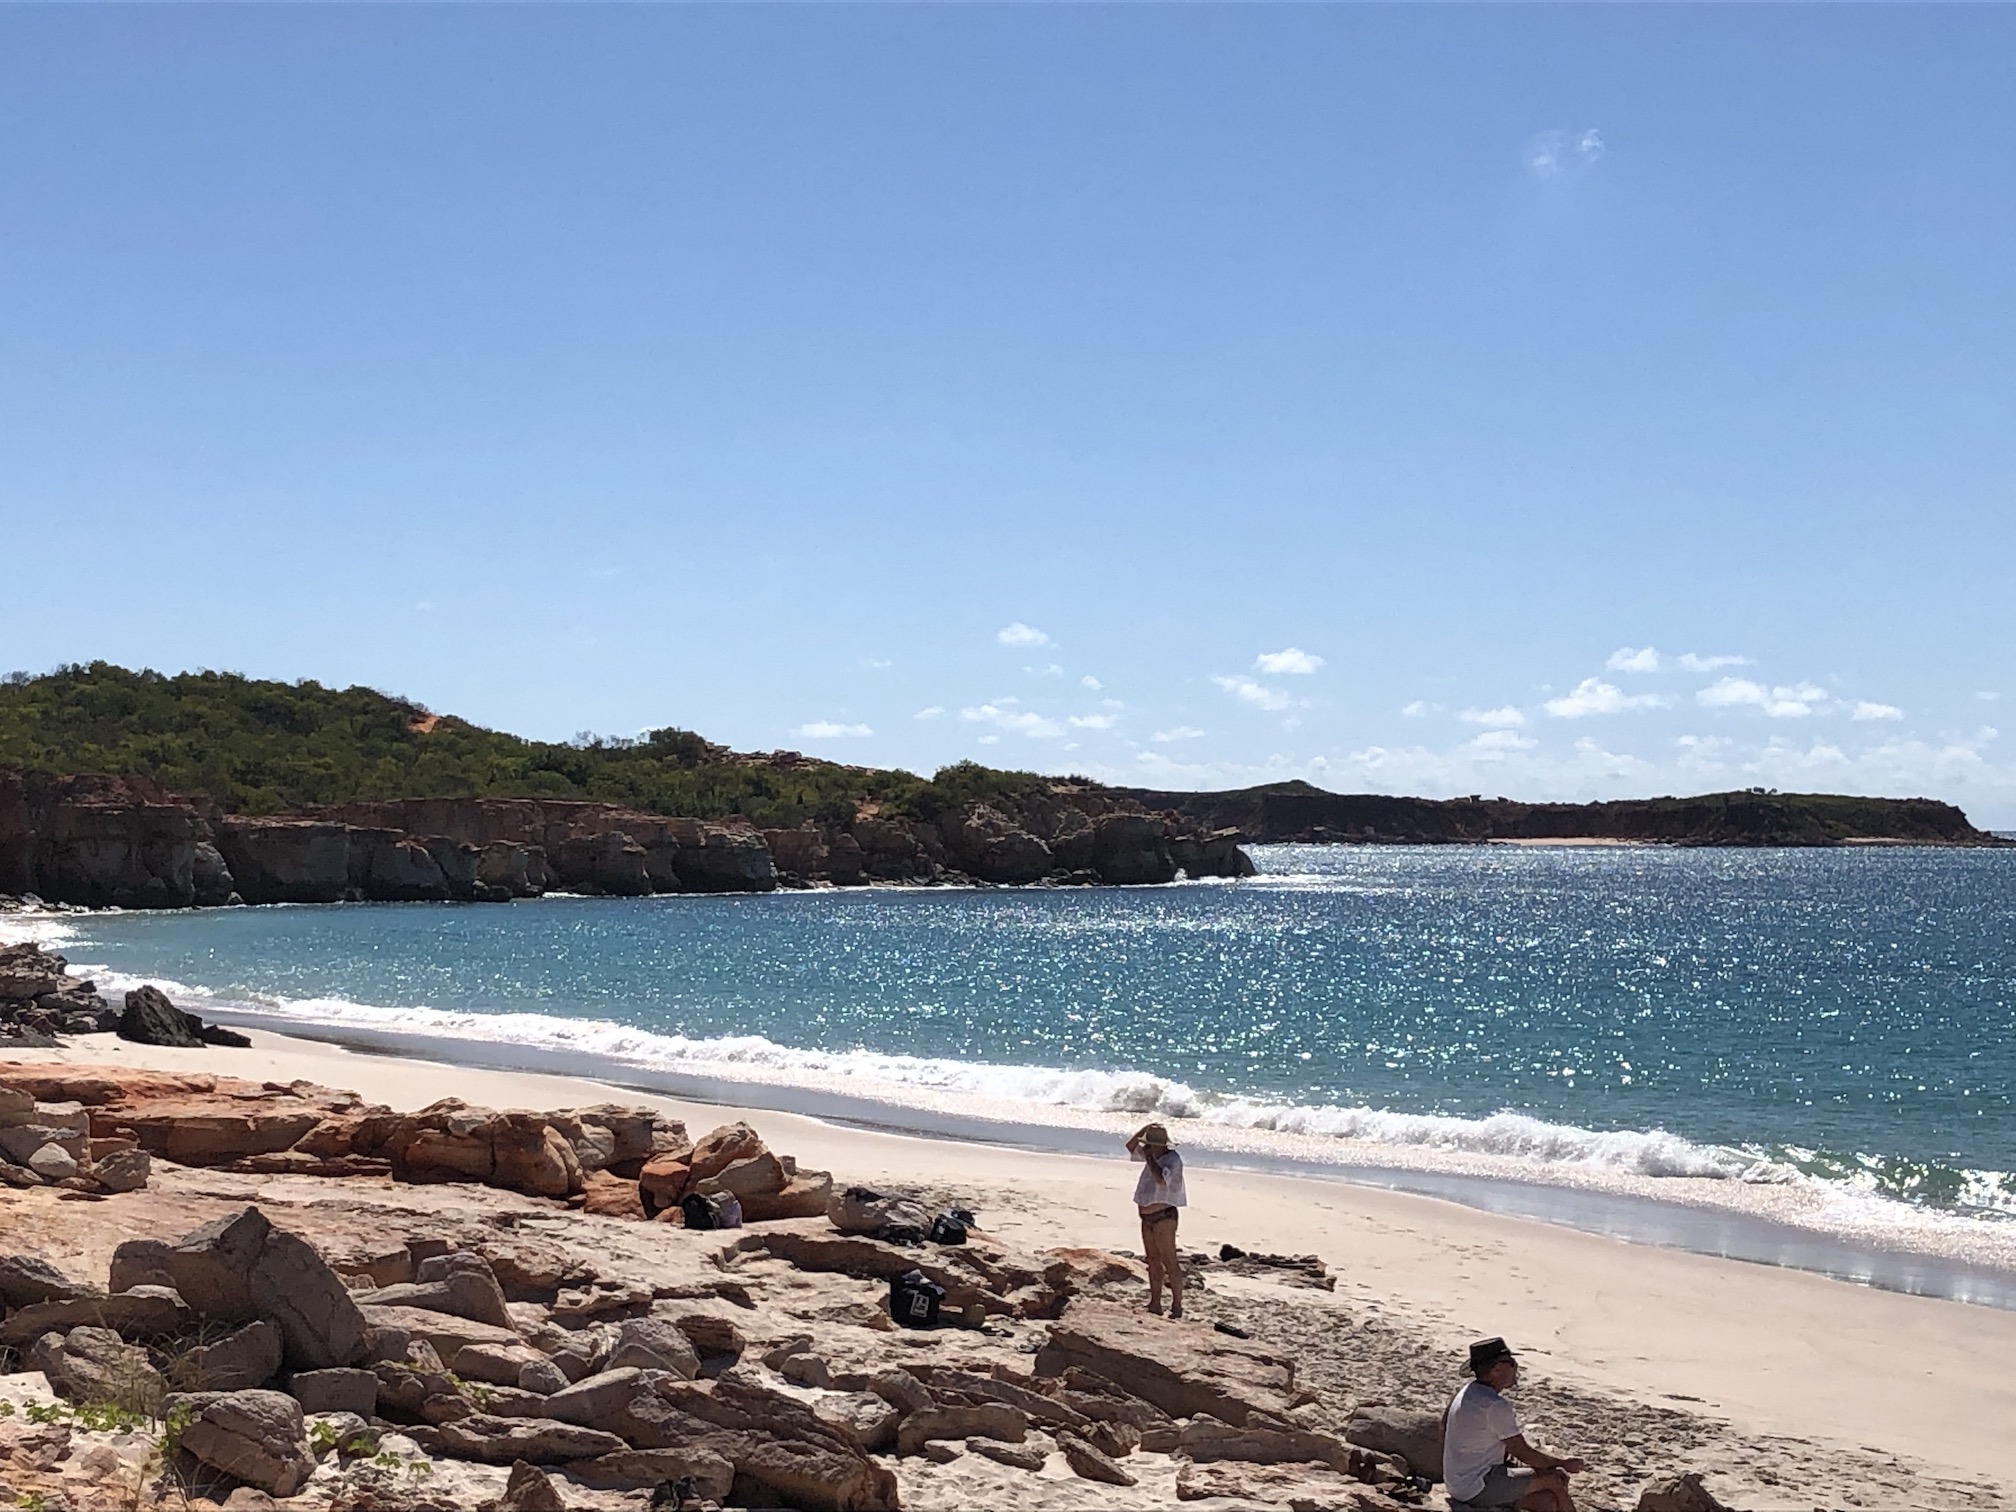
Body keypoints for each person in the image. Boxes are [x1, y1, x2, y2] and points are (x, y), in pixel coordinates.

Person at [1442, 1337, 1586, 1511]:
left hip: (1458, 1484)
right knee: (1556, 1479)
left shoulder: (1466, 1393)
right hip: (1478, 1485)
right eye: (1510, 1363)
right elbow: (1524, 1453)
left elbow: (1443, 1429)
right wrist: (1562, 1463)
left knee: (1547, 1501)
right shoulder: (1494, 1405)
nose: (1515, 1367)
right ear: (1497, 1369)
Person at [1125, 1122, 1186, 1318]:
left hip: (1164, 1216)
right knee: (1152, 1260)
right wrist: (1144, 1129)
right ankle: (1155, 1302)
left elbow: (1161, 1179)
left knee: (1169, 1260)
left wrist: (1150, 1157)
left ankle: (1177, 1305)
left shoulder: (1172, 1160)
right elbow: (1130, 1146)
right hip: (1147, 1217)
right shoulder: (1151, 1154)